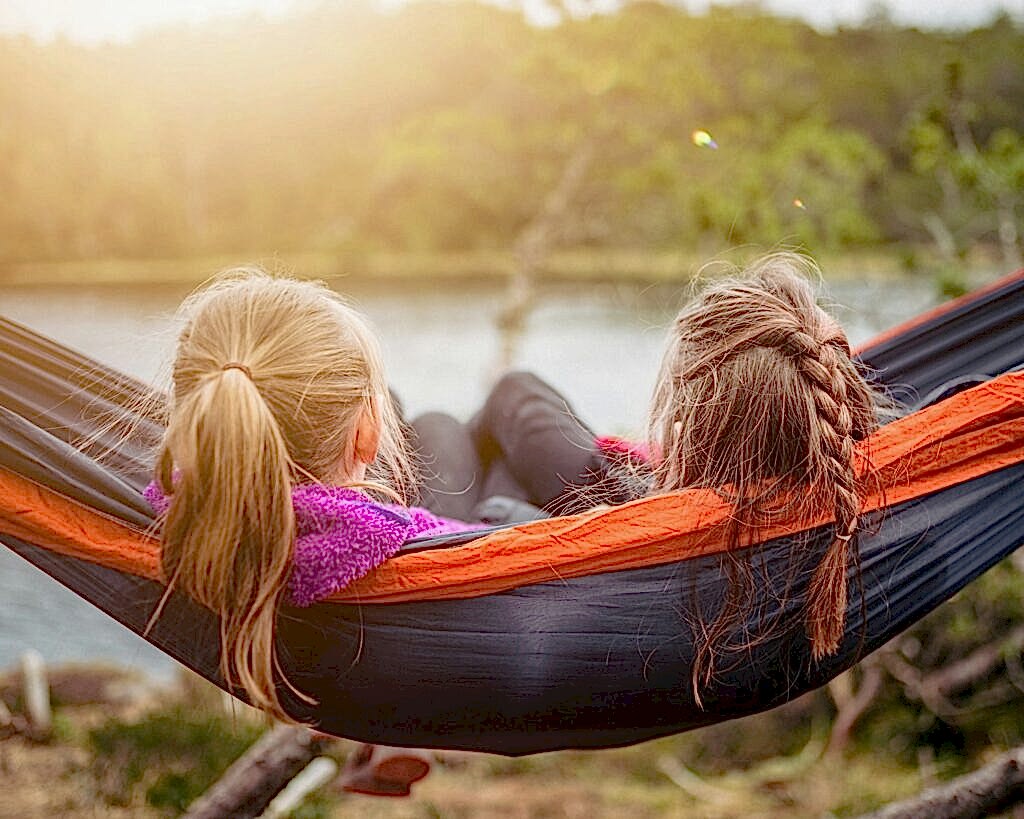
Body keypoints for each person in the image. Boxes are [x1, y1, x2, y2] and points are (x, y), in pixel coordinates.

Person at [415, 251, 884, 694]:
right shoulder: (870, 479)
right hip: (632, 508)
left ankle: (422, 659)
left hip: (606, 525)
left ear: (695, 416)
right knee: (491, 443)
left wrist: (513, 520)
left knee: (451, 422)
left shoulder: (682, 534)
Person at [144, 269, 474, 794]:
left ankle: (389, 742)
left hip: (358, 615)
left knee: (428, 422)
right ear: (367, 436)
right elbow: (478, 542)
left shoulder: (181, 515)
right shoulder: (391, 536)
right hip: (495, 538)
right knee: (489, 408)